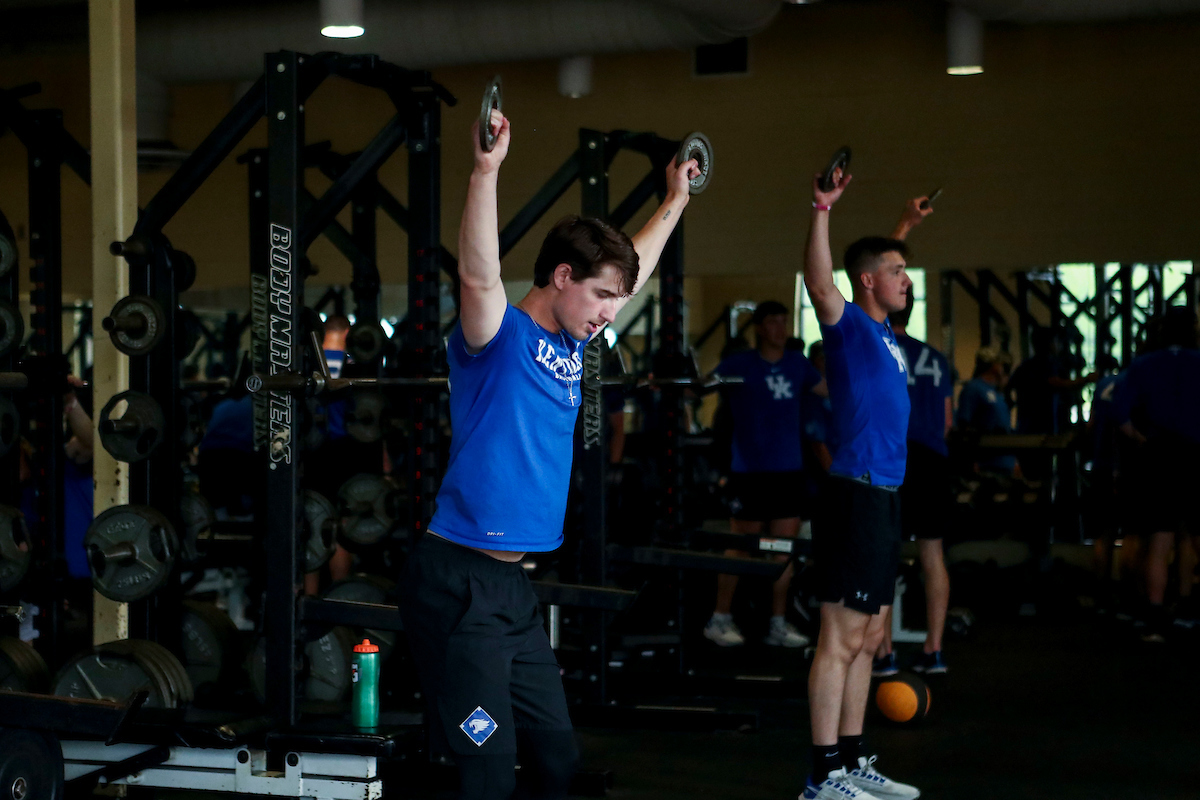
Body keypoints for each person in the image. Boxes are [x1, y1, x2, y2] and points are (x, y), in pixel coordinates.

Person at [397, 106, 698, 800]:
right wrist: (485, 170)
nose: (607, 314)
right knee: (486, 777)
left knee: (560, 762)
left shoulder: (571, 341)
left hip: (512, 591)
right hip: (456, 584)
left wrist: (674, 200)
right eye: (598, 296)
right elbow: (477, 276)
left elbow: (632, 269)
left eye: (613, 303)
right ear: (561, 276)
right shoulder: (496, 336)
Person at [800, 165, 919, 800]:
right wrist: (822, 207)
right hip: (855, 492)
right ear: (869, 281)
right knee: (840, 638)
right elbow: (826, 279)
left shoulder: (881, 331)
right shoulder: (848, 328)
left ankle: (849, 762)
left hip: (885, 494)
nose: (908, 280)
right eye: (897, 272)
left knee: (872, 636)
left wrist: (901, 227)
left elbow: (872, 266)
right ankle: (822, 777)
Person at [703, 300, 824, 649]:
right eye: (773, 322)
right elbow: (699, 388)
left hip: (788, 473)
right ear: (759, 327)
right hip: (749, 473)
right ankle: (720, 618)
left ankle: (777, 623)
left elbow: (831, 391)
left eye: (784, 321)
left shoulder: (798, 365)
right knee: (740, 547)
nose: (780, 328)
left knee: (782, 550)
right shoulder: (739, 364)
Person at [872, 197, 953, 677]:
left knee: (884, 554)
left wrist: (903, 224)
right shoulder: (936, 359)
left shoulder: (881, 342)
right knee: (932, 554)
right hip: (931, 458)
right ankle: (933, 650)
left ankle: (883, 655)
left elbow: (879, 276)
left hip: (893, 460)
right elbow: (945, 422)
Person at [1112, 305, 1200, 642]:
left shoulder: (1143, 365)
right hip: (1195, 454)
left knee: (1159, 540)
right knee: (1196, 535)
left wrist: (1142, 439)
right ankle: (1190, 609)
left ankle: (1154, 617)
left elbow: (1120, 415)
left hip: (1160, 454)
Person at [956, 347, 1017, 477]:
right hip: (986, 465)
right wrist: (970, 460)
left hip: (1005, 462)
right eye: (1000, 364)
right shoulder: (974, 388)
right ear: (994, 366)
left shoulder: (998, 393)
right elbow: (964, 426)